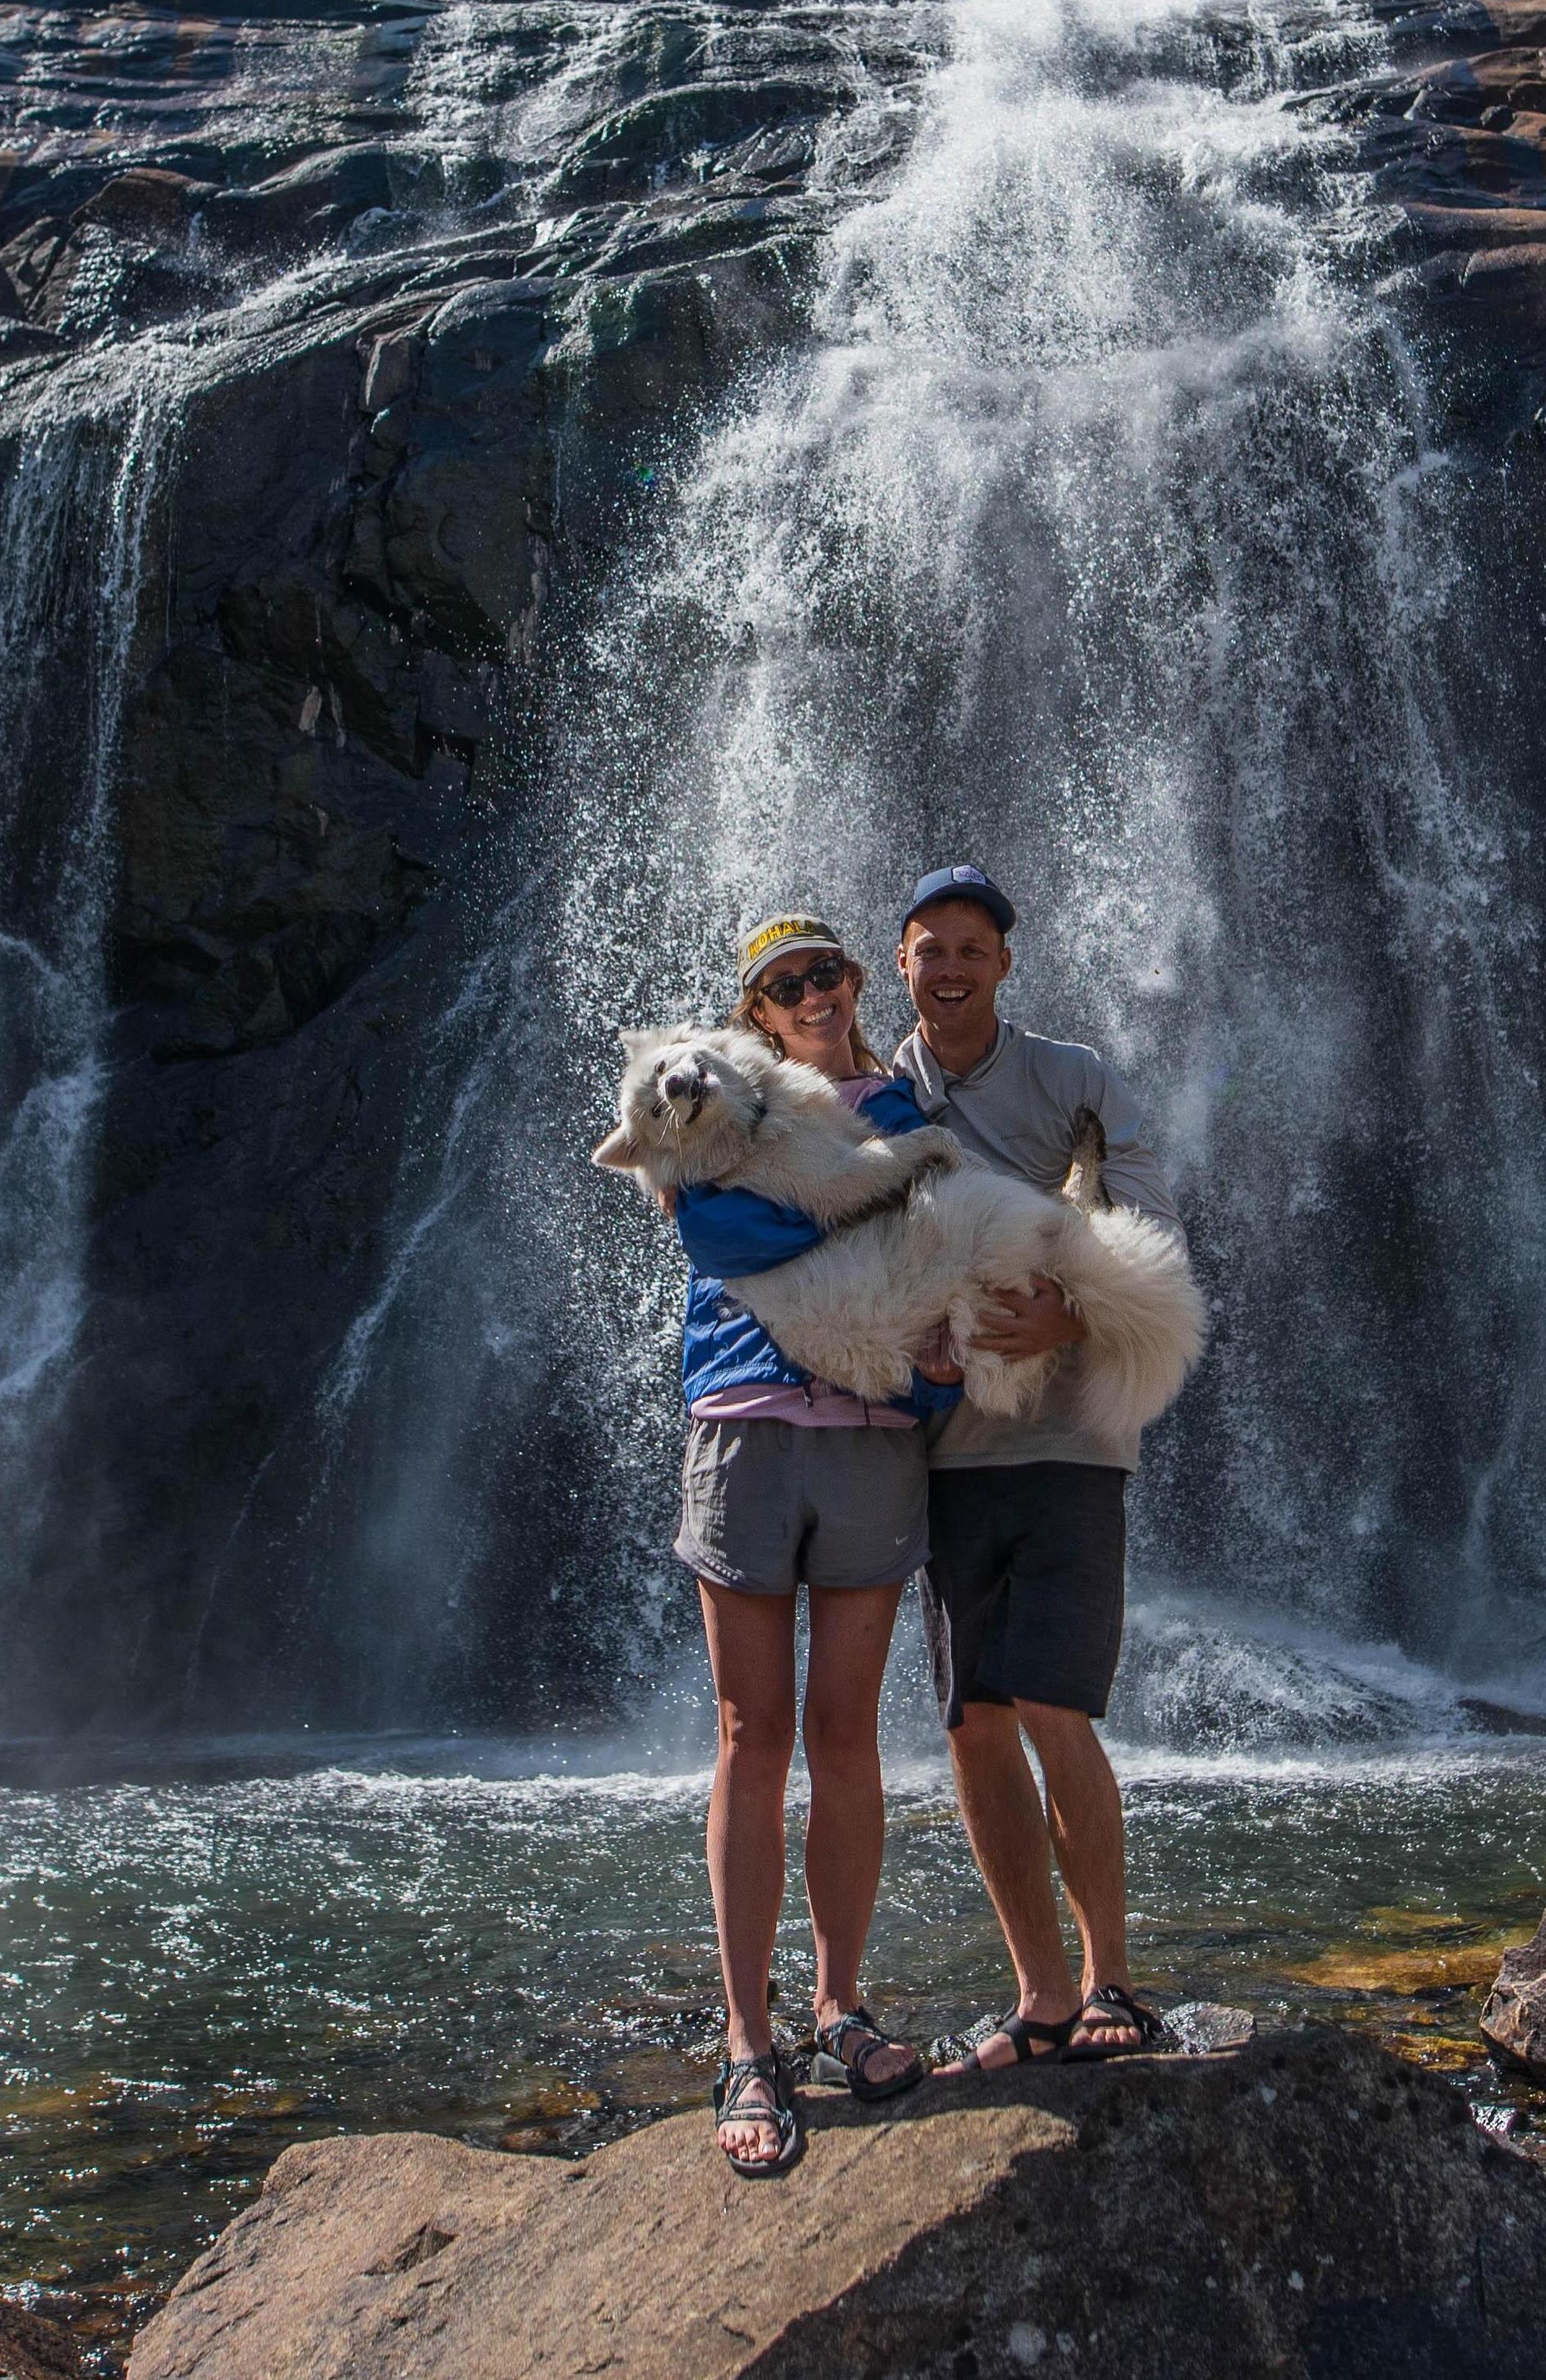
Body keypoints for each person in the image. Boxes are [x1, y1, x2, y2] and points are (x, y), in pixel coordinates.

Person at [662, 912, 951, 2180]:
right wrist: (861, 1220)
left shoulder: (902, 1106)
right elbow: (713, 1234)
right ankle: (746, 2038)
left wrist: (930, 1378)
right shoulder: (713, 1101)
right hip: (745, 1422)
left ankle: (837, 2009)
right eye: (785, 986)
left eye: (825, 972)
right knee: (750, 1733)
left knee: (844, 1733)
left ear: (853, 981)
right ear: (758, 1013)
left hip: (873, 1431)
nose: (812, 994)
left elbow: (934, 1259)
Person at [892, 862, 1184, 2070]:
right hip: (945, 1458)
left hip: (1071, 1446)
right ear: (902, 963)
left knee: (1056, 1705)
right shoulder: (875, 1093)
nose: (952, 968)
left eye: (973, 949)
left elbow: (1152, 1223)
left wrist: (1073, 1310)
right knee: (973, 1724)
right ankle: (1041, 1994)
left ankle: (1111, 1976)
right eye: (931, 949)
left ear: (1006, 964)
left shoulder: (1075, 1078)